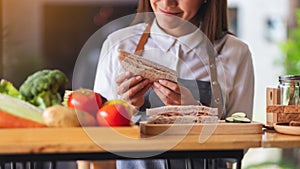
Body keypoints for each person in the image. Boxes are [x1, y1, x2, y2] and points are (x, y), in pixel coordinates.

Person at [94, 0, 254, 168]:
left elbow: (240, 145)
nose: (167, 2)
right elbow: (97, 140)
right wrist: (126, 110)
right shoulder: (118, 44)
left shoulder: (235, 52)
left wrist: (194, 112)